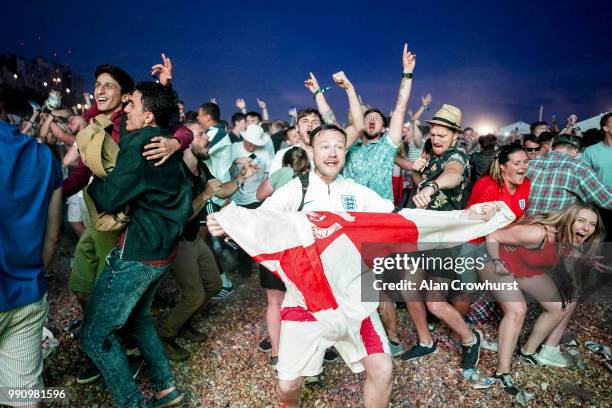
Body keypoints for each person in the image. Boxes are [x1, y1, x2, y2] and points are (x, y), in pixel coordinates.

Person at [207, 123, 501, 407]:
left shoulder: (356, 192)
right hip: (306, 302)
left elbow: (402, 218)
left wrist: (468, 216)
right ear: (310, 151)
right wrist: (228, 222)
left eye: (339, 146)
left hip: (352, 302)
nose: (332, 152)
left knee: (383, 369)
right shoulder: (297, 189)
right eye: (324, 146)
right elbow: (262, 220)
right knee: (288, 386)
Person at [80, 81, 191, 408]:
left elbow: (111, 197)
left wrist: (93, 185)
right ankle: (166, 388)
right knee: (138, 320)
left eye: (132, 105)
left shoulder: (140, 142)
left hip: (139, 253)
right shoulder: (163, 140)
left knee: (95, 336)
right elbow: (176, 123)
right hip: (163, 250)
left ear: (148, 116)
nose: (126, 108)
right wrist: (166, 87)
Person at [159, 118, 258, 361]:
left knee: (213, 286)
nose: (207, 138)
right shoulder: (175, 172)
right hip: (178, 242)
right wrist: (205, 195)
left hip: (194, 240)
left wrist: (241, 179)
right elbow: (180, 215)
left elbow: (220, 190)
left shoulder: (200, 168)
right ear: (186, 141)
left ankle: (184, 323)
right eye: (202, 134)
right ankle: (165, 335)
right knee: (194, 295)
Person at [483, 202, 604, 394]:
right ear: (569, 220)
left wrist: (585, 260)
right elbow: (492, 235)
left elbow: (568, 251)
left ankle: (527, 351)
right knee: (517, 311)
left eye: (591, 224)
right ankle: (502, 372)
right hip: (494, 261)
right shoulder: (538, 233)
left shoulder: (568, 240)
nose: (586, 228)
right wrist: (497, 263)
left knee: (559, 307)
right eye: (581, 221)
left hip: (523, 266)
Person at [400, 104, 483, 379]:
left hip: (445, 239)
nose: (436, 139)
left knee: (435, 303)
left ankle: (471, 339)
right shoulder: (430, 153)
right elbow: (417, 184)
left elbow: (454, 173)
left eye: (442, 136)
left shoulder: (456, 155)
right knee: (408, 288)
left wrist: (434, 185)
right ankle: (426, 342)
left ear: (455, 136)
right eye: (433, 134)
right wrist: (418, 171)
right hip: (423, 233)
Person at [0, 120, 62, 408]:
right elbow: (52, 236)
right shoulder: (44, 156)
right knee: (24, 396)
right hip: (27, 294)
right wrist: (34, 275)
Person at [526, 134, 612, 216]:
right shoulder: (578, 168)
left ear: (552, 148)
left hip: (525, 225)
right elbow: (607, 201)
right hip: (554, 227)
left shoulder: (529, 164)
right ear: (575, 151)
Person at [582, 112, 612, 240]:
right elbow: (583, 180)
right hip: (600, 207)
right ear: (606, 128)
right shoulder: (591, 152)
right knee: (601, 244)